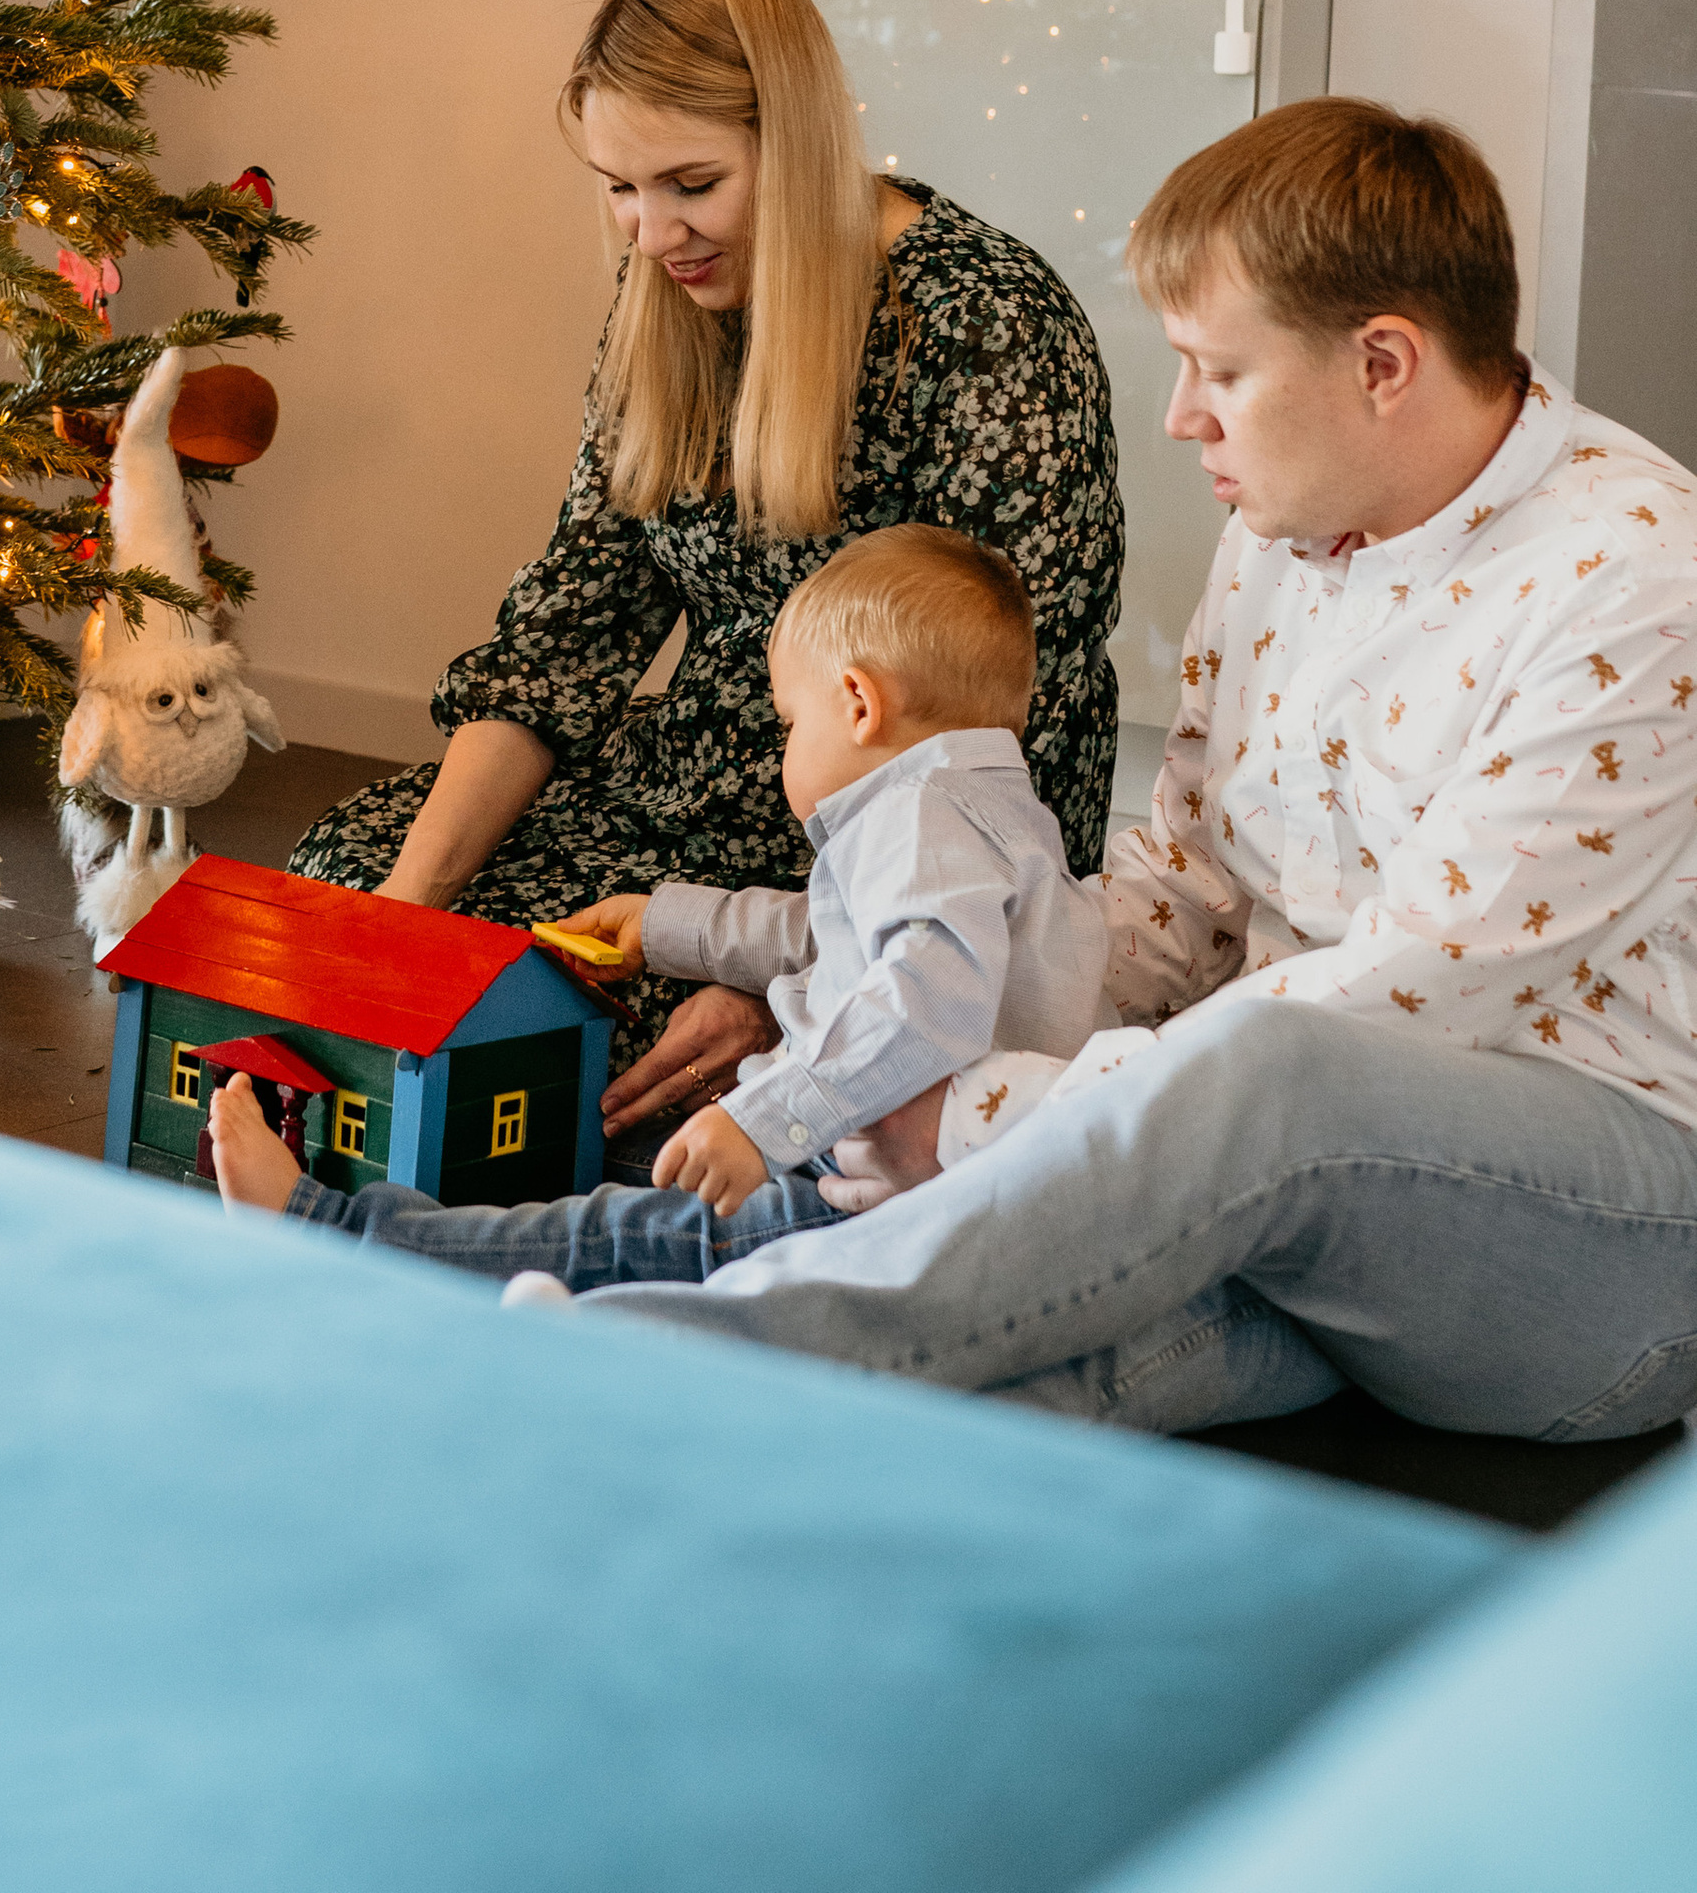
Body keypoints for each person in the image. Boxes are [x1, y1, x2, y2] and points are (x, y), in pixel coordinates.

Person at [290, 98, 1697, 1447]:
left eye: (1221, 371)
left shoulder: (1630, 578)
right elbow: (1185, 881)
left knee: (1257, 1086)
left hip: (1600, 1252)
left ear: (1381, 364)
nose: (1184, 419)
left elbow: (1406, 1007)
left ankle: (645, 1360)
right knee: (993, 1378)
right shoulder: (1288, 523)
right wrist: (906, 1025)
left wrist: (976, 1110)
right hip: (1300, 1223)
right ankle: (474, 1355)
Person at [291, 0, 1123, 1127]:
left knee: (555, 991)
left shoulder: (988, 327)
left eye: (689, 184)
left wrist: (793, 972)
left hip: (916, 845)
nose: (648, 232)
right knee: (340, 875)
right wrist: (406, 899)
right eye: (618, 187)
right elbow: (564, 637)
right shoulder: (667, 303)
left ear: (794, 142)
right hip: (692, 779)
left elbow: (1011, 727)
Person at [212, 524, 1111, 1274]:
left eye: (791, 725)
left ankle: (332, 1236)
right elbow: (825, 936)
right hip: (928, 1173)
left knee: (614, 1236)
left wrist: (763, 1124)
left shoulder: (915, 818)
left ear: (858, 705)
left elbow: (927, 1000)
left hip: (885, 1203)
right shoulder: (992, 809)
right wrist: (665, 922)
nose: (786, 747)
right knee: (610, 1175)